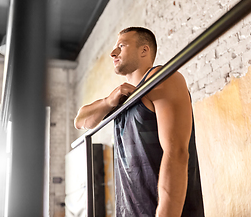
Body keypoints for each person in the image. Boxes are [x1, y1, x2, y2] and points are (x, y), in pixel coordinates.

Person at [74, 27, 204, 217]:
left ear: (144, 50)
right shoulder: (121, 99)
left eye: (121, 45)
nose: (113, 53)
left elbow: (176, 152)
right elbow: (80, 121)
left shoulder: (162, 78)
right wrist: (108, 101)